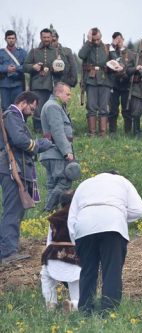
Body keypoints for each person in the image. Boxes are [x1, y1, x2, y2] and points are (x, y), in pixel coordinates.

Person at [68, 171, 142, 315]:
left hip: (84, 225)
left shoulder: (84, 184)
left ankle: (85, 310)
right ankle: (109, 312)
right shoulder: (122, 180)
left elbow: (72, 217)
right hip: (113, 225)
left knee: (87, 271)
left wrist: (76, 243)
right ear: (115, 175)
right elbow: (139, 209)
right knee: (112, 271)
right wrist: (119, 212)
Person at [0, 91, 53, 264]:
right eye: (32, 107)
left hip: (15, 167)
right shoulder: (12, 116)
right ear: (23, 103)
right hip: (11, 168)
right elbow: (20, 140)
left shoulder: (15, 117)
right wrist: (39, 144)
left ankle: (9, 246)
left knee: (16, 209)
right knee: (13, 209)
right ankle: (8, 252)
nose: (32, 111)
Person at [40, 190, 80, 312]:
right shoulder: (79, 217)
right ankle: (74, 304)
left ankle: (51, 303)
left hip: (54, 259)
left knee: (45, 275)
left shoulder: (54, 218)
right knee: (75, 280)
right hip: (74, 261)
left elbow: (49, 243)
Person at [40, 82, 76, 211]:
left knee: (53, 184)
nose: (69, 97)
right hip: (56, 152)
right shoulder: (53, 107)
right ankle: (49, 210)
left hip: (51, 152)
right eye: (67, 94)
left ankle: (48, 214)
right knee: (64, 182)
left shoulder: (53, 105)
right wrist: (67, 151)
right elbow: (58, 131)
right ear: (58, 93)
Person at [78, 27, 113, 137]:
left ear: (101, 37)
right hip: (91, 80)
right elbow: (81, 55)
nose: (97, 42)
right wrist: (88, 42)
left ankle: (103, 133)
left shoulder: (107, 47)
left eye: (98, 39)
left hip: (105, 80)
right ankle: (92, 133)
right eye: (94, 40)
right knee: (91, 107)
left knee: (103, 107)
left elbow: (116, 59)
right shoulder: (87, 47)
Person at [24, 28, 59, 133]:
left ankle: (48, 131)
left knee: (49, 109)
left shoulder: (55, 52)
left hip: (50, 85)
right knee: (37, 109)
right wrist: (33, 67)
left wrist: (57, 69)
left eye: (48, 37)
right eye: (44, 37)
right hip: (36, 85)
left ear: (51, 38)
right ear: (41, 37)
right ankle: (38, 130)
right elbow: (25, 66)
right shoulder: (34, 51)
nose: (46, 39)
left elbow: (60, 69)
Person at [108, 32, 135, 134]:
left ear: (123, 39)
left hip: (126, 84)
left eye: (120, 39)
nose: (118, 41)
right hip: (114, 84)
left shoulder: (131, 53)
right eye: (116, 40)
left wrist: (126, 73)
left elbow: (133, 66)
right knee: (113, 110)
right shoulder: (110, 52)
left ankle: (128, 132)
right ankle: (112, 132)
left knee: (127, 109)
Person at [0, 30, 27, 111]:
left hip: (17, 84)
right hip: (5, 84)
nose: (11, 40)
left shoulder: (22, 52)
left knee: (18, 107)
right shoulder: (1, 53)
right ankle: (6, 124)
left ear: (15, 39)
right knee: (5, 108)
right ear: (5, 39)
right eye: (9, 38)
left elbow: (26, 66)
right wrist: (6, 68)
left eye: (13, 38)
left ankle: (17, 123)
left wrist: (16, 68)